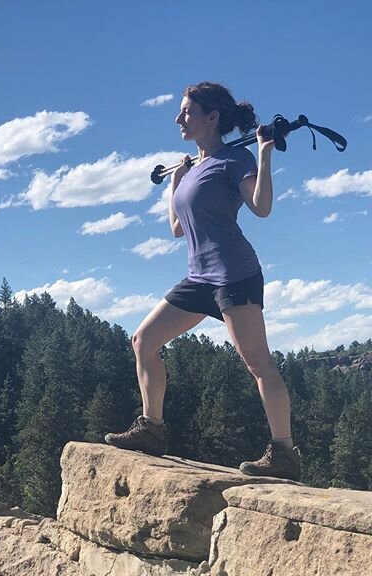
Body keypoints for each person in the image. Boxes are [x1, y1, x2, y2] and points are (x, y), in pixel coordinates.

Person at [104, 81, 300, 481]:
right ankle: (152, 430)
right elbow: (178, 228)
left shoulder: (234, 159)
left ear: (212, 117)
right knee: (143, 340)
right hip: (199, 277)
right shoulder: (193, 168)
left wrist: (264, 155)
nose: (179, 118)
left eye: (187, 112)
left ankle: (284, 454)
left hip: (235, 273)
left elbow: (261, 207)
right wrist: (177, 181)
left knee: (256, 361)